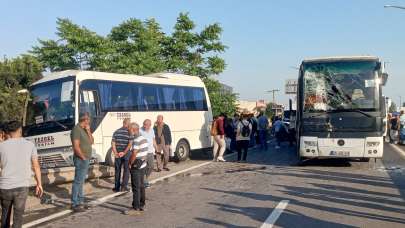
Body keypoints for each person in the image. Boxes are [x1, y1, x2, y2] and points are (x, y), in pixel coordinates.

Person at [0, 121, 43, 228]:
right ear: (20, 130)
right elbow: (36, 166)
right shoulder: (30, 145)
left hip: (5, 186)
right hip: (22, 187)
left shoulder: (1, 146)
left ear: (8, 132)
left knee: (5, 215)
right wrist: (39, 184)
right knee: (18, 217)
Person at [70, 112, 94, 212]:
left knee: (81, 181)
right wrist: (83, 157)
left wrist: (88, 131)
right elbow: (76, 146)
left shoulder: (84, 130)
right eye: (88, 120)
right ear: (85, 120)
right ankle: (74, 203)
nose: (89, 122)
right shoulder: (76, 130)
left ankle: (80, 201)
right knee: (78, 181)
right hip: (81, 159)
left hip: (86, 158)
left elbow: (92, 141)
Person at [126, 123, 149, 215]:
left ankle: (136, 207)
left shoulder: (136, 140)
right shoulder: (143, 138)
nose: (128, 131)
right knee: (141, 185)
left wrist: (130, 163)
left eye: (129, 130)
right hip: (143, 164)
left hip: (136, 165)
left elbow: (134, 153)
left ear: (133, 129)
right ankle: (142, 204)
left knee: (135, 187)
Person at [111, 118, 133, 192]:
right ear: (128, 123)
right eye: (129, 123)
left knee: (118, 170)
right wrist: (124, 152)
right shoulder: (130, 132)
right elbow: (130, 144)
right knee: (126, 170)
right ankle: (124, 187)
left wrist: (115, 153)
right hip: (126, 153)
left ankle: (116, 187)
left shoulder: (116, 132)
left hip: (118, 152)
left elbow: (113, 143)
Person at [140, 119, 156, 188]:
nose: (144, 126)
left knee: (151, 166)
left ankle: (144, 179)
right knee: (143, 167)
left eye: (146, 125)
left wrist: (156, 147)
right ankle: (145, 181)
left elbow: (153, 139)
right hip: (143, 152)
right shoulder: (140, 130)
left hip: (150, 151)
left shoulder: (152, 130)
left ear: (149, 125)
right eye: (144, 124)